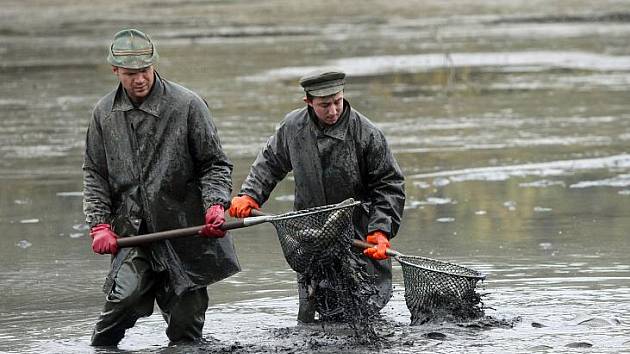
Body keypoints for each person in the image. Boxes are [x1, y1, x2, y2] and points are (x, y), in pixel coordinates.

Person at [83, 28, 239, 346]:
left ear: (154, 64)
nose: (139, 79)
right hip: (133, 232)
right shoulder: (103, 114)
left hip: (187, 231)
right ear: (115, 71)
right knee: (122, 302)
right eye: (130, 73)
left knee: (186, 329)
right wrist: (99, 224)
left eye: (144, 71)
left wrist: (215, 205)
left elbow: (215, 165)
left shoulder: (188, 105)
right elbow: (95, 174)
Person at [229, 69, 405, 323]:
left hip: (358, 235)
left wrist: (381, 229)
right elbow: (269, 163)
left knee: (362, 310)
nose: (333, 111)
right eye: (325, 105)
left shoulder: (367, 133)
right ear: (309, 102)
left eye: (337, 102)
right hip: (311, 234)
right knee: (313, 309)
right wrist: (250, 195)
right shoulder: (292, 127)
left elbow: (389, 185)